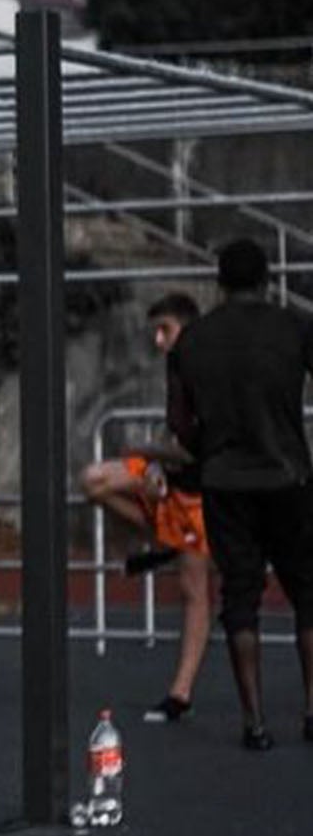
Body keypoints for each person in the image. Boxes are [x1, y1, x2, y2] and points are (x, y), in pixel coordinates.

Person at [168, 237, 313, 751]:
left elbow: (179, 423)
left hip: (225, 480)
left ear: (219, 283)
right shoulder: (294, 326)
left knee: (241, 598)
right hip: (288, 474)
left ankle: (254, 721)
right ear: (267, 279)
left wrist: (208, 447)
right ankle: (312, 710)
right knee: (307, 594)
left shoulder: (192, 341)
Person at [80, 293, 212, 723]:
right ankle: (160, 537)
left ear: (187, 329)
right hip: (168, 476)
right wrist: (154, 461)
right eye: (155, 331)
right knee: (94, 479)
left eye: (165, 331)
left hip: (198, 488)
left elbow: (198, 448)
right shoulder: (177, 368)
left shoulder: (208, 369)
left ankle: (181, 692)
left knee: (195, 590)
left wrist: (150, 452)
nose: (157, 340)